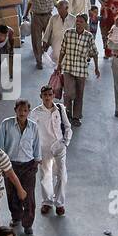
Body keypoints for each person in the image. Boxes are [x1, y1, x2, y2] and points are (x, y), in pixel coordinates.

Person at [0, 100, 40, 235]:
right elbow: (0, 146)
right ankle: (16, 217)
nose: (22, 113)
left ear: (28, 112)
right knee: (12, 194)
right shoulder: (6, 124)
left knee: (29, 196)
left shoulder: (33, 127)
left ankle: (28, 223)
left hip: (28, 165)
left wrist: (36, 162)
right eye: (20, 110)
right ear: (15, 110)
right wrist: (2, 166)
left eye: (25, 110)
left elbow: (37, 145)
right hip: (10, 165)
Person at [34, 85, 72, 217]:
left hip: (59, 147)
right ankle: (47, 202)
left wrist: (65, 143)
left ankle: (59, 203)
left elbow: (67, 126)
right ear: (41, 97)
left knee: (62, 175)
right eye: (45, 95)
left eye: (50, 95)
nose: (48, 97)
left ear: (53, 95)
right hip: (44, 148)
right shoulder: (36, 112)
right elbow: (33, 132)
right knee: (46, 176)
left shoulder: (60, 109)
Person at [58, 13, 99, 126]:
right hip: (68, 68)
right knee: (68, 94)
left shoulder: (88, 36)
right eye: (77, 21)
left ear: (85, 24)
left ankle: (76, 117)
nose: (78, 23)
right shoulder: (68, 33)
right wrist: (59, 65)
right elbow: (63, 50)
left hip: (81, 70)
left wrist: (96, 68)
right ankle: (66, 115)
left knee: (79, 95)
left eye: (81, 22)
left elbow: (94, 53)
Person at [24, 0, 58, 69]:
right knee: (36, 40)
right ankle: (39, 60)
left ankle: (45, 49)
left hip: (48, 16)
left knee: (50, 38)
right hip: (36, 17)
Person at [42, 0, 75, 64]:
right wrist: (44, 43)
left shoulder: (74, 19)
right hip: (56, 47)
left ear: (66, 8)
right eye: (57, 8)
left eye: (60, 8)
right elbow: (48, 31)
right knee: (56, 67)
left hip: (69, 49)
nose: (58, 10)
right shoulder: (53, 18)